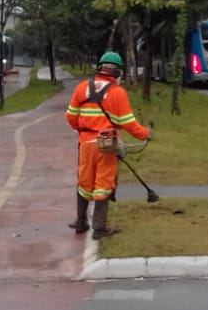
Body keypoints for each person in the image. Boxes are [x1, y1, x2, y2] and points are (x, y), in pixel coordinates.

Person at [65, 51, 151, 239]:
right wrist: (145, 133)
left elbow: (70, 117)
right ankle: (100, 227)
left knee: (84, 181)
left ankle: (80, 221)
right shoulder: (117, 93)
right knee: (103, 183)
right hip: (107, 145)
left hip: (85, 144)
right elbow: (128, 123)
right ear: (118, 71)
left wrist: (82, 130)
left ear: (99, 67)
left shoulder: (82, 88)